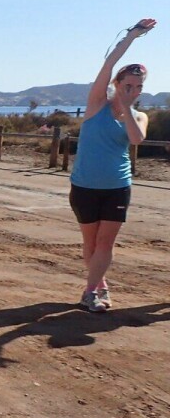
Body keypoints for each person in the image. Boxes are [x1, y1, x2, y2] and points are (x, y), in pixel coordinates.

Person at [70, 18, 156, 313]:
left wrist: (129, 108)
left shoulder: (139, 116)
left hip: (117, 187)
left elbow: (136, 139)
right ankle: (100, 283)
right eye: (127, 84)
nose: (132, 89)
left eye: (138, 86)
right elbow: (110, 63)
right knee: (91, 244)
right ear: (116, 84)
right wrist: (133, 35)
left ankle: (90, 292)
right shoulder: (96, 104)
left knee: (105, 243)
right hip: (84, 186)